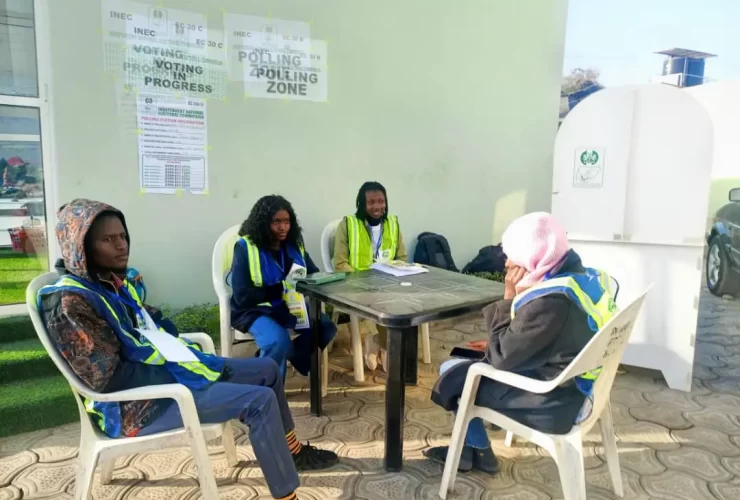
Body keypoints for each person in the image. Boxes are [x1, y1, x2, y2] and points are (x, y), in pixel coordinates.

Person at [38, 199, 338, 500]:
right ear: (81, 247)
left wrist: (171, 342)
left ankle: (293, 451)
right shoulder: (70, 304)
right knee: (258, 402)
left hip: (170, 375)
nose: (121, 246)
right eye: (108, 239)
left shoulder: (112, 283)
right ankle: (287, 496)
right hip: (138, 407)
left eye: (123, 236)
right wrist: (186, 373)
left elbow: (153, 323)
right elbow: (107, 379)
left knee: (269, 370)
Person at [425, 212, 616, 474]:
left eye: (512, 254)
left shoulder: (553, 301)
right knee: (468, 362)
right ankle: (473, 451)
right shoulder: (585, 277)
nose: (506, 262)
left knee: (453, 372)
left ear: (534, 255)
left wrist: (508, 297)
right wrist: (511, 338)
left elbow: (502, 359)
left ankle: (477, 450)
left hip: (554, 402)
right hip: (580, 385)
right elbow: (553, 335)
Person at [230, 195, 337, 379]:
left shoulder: (293, 245)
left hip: (287, 306)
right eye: (276, 222)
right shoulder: (244, 248)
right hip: (254, 309)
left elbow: (312, 272)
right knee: (277, 341)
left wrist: (324, 281)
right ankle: (270, 389)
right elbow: (241, 295)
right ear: (263, 223)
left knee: (325, 327)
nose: (283, 227)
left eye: (287, 221)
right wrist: (277, 290)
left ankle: (273, 359)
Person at [333, 181, 408, 372]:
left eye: (381, 201)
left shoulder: (393, 223)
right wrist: (366, 280)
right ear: (361, 204)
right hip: (356, 284)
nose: (377, 207)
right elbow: (340, 264)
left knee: (412, 301)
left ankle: (379, 342)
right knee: (386, 302)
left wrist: (396, 274)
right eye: (371, 202)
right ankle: (386, 346)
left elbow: (401, 258)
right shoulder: (348, 224)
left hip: (388, 282)